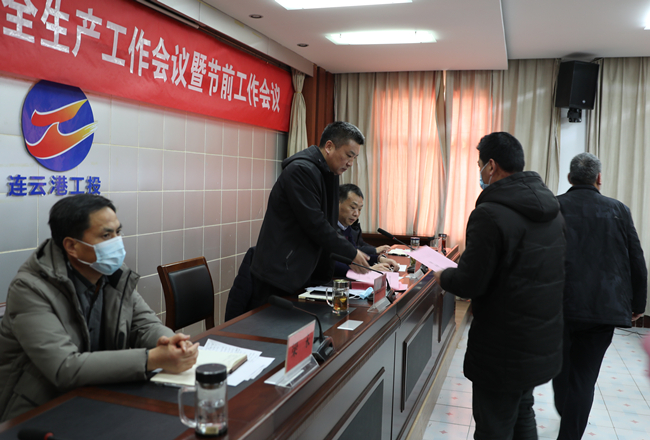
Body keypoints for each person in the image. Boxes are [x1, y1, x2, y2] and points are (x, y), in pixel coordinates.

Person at [0, 194, 198, 422]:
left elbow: (144, 324)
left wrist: (171, 342)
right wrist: (150, 359)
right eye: (106, 235)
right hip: (39, 412)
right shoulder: (30, 289)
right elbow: (64, 368)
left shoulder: (112, 274)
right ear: (72, 246)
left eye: (118, 232)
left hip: (99, 397)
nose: (117, 242)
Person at [433, 132, 566, 439]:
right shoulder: (553, 211)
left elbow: (470, 282)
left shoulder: (489, 214)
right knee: (522, 411)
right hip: (539, 339)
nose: (480, 172)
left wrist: (443, 275)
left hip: (502, 347)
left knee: (493, 427)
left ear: (491, 166)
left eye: (479, 165)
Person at [552, 152, 647, 440]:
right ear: (599, 178)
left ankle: (565, 411)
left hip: (559, 305)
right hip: (603, 307)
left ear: (570, 177)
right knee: (584, 377)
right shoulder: (619, 210)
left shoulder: (554, 207)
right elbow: (636, 259)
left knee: (561, 370)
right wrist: (637, 304)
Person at [248, 121, 371, 310]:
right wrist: (351, 253)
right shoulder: (301, 171)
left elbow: (329, 224)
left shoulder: (329, 172)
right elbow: (316, 224)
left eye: (354, 158)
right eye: (349, 155)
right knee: (274, 325)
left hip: (304, 273)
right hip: (280, 273)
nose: (350, 163)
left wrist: (348, 256)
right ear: (329, 146)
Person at [334, 183, 398, 277]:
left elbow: (355, 253)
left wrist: (379, 259)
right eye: (353, 207)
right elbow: (332, 264)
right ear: (338, 203)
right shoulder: (328, 228)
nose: (356, 214)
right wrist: (368, 270)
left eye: (359, 209)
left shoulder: (346, 227)